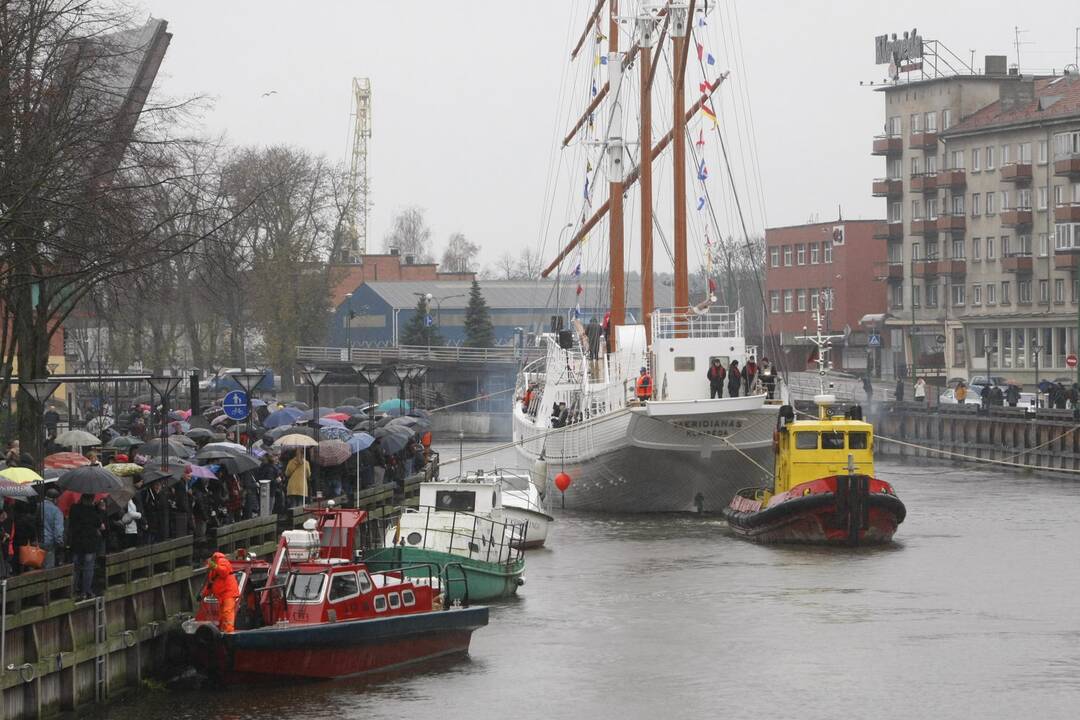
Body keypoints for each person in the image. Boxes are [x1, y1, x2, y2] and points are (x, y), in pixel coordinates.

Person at [69, 494, 103, 599]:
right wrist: (100, 509)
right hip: (89, 544)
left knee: (76, 567)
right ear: (92, 499)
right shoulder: (92, 511)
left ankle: (73, 591)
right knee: (88, 567)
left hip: (76, 543)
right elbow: (99, 524)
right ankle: (86, 591)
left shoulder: (74, 509)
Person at [200, 551, 240, 633]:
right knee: (221, 616)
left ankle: (229, 633)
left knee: (227, 613)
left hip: (228, 592)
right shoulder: (212, 570)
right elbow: (210, 585)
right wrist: (202, 595)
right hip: (221, 595)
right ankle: (223, 632)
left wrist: (214, 566)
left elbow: (224, 572)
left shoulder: (222, 560)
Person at [42, 488, 65, 568]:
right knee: (48, 568)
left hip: (37, 541)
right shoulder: (56, 511)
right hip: (49, 542)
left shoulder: (38, 506)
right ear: (55, 499)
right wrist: (60, 542)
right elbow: (58, 529)